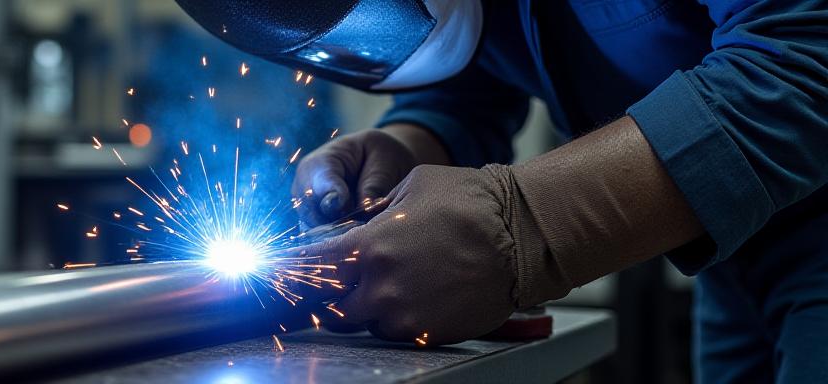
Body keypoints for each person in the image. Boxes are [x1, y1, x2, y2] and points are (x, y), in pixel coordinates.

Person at [174, 0, 828, 382]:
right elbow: (486, 58)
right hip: (736, 244)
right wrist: (411, 141)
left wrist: (527, 224)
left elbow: (803, 57)